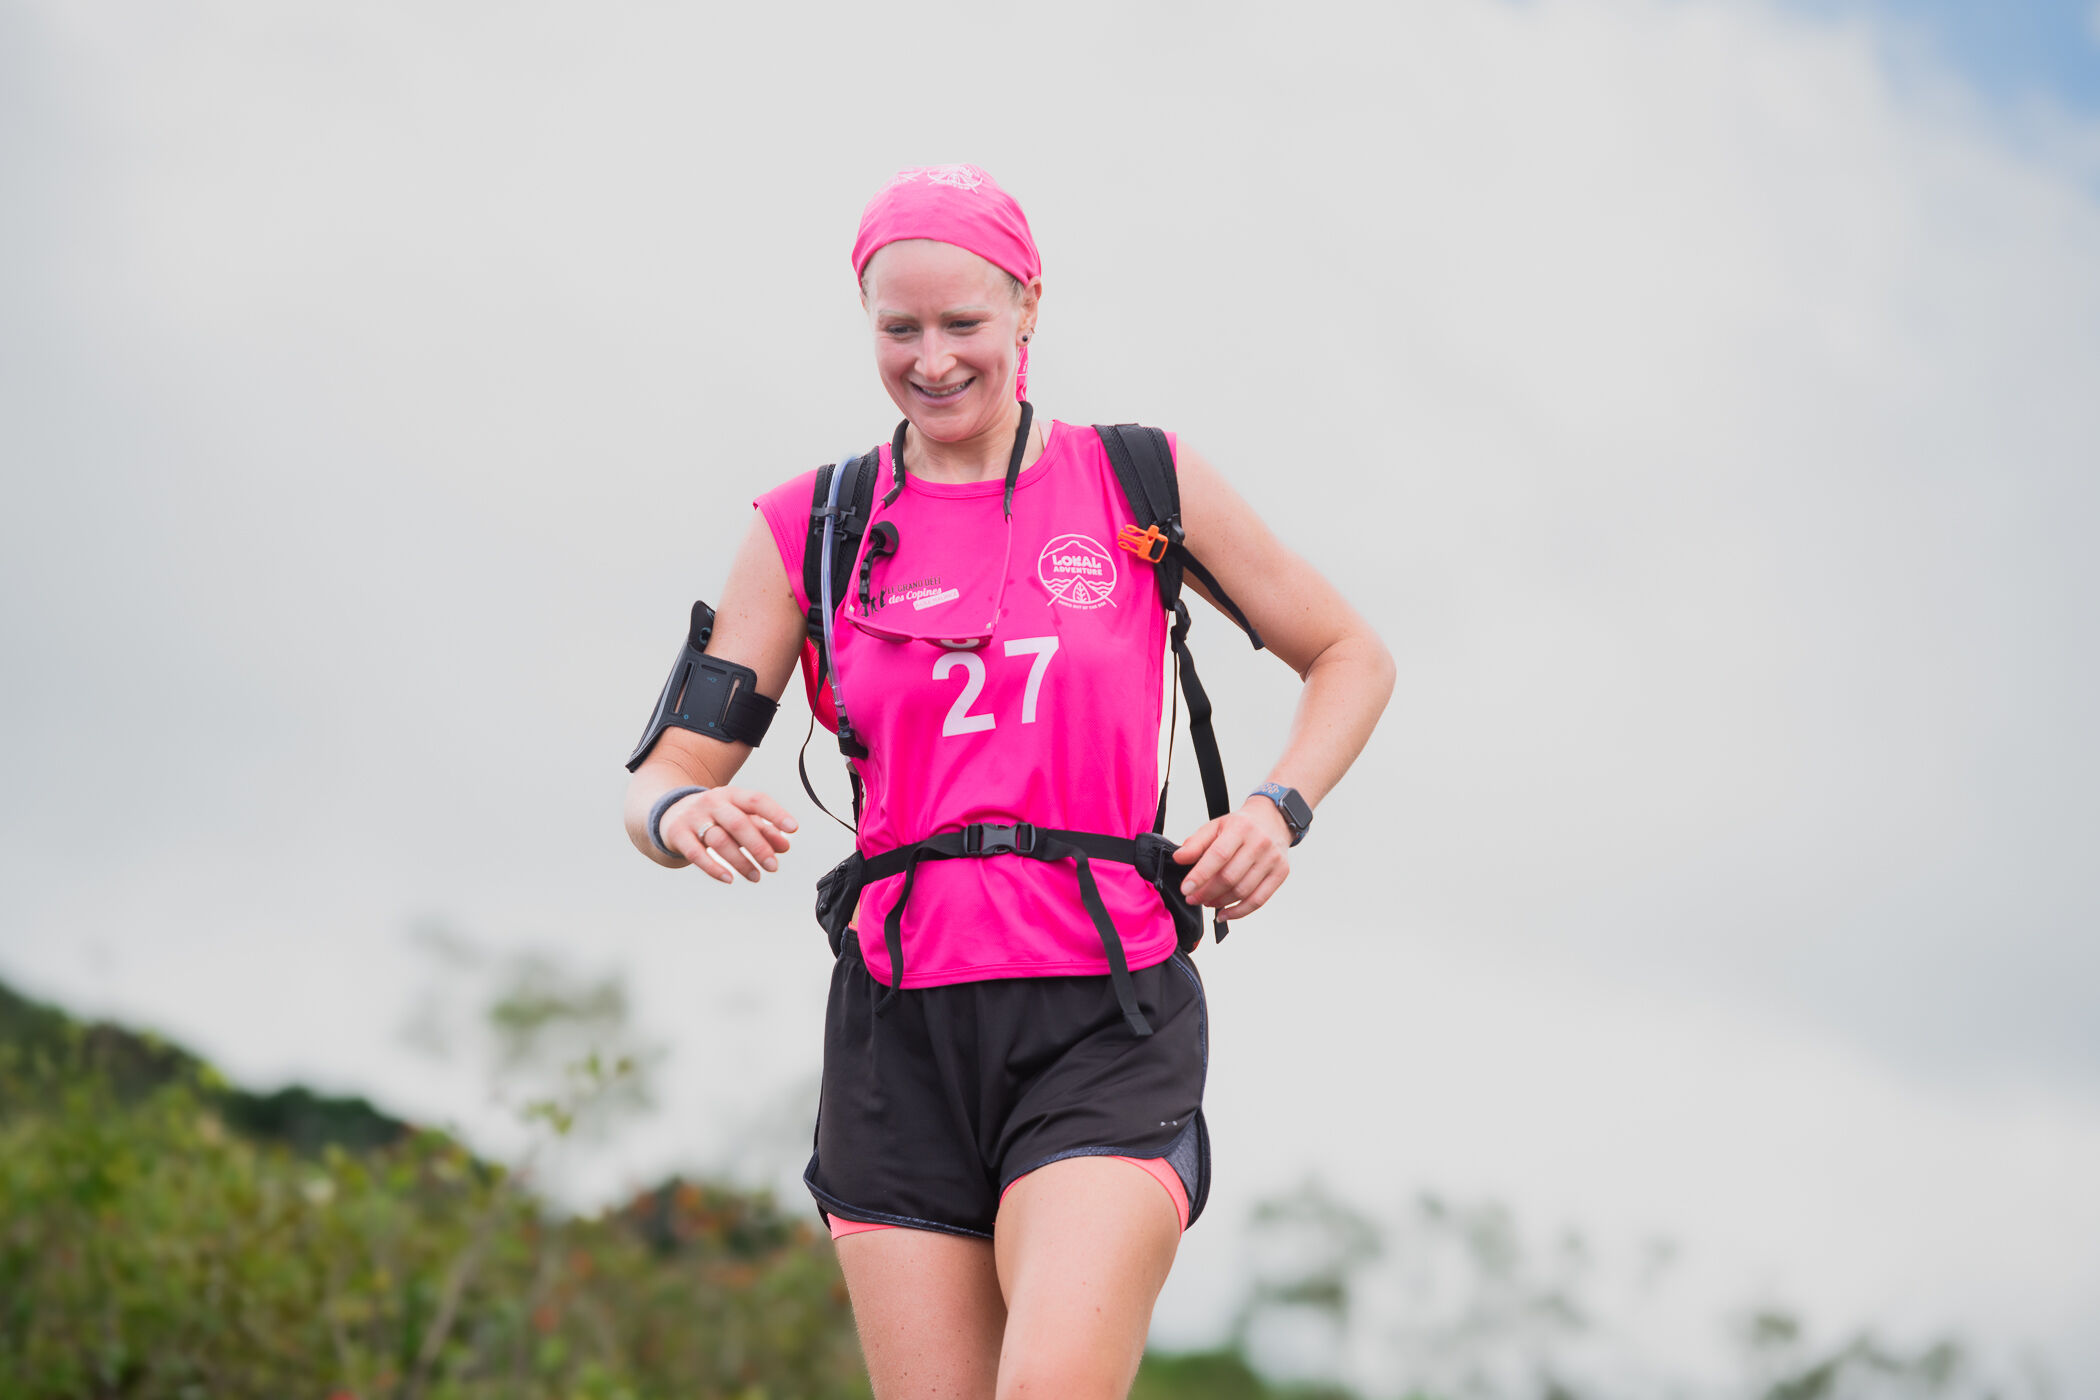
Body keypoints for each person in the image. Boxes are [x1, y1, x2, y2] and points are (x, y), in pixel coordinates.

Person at [622, 164, 1393, 1400]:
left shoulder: (1141, 480)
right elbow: (660, 776)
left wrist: (1274, 806)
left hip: (1102, 1013)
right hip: (896, 1033)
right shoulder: (808, 524)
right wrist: (682, 810)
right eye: (900, 329)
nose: (933, 360)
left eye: (964, 323)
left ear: (1030, 306)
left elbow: (1351, 655)